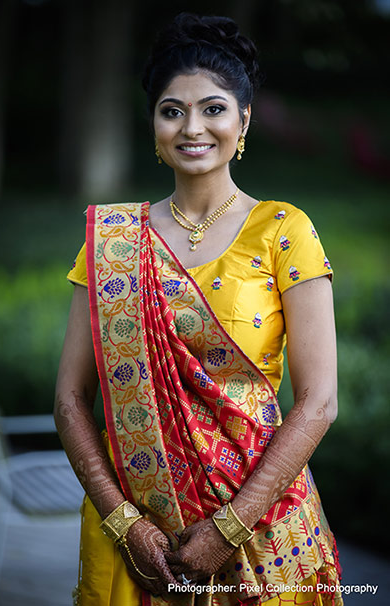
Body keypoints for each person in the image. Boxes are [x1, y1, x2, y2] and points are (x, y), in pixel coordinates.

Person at [54, 13, 342, 606]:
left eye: (213, 108)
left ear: (244, 121)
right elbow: (68, 401)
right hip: (135, 532)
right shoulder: (111, 242)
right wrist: (124, 524)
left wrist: (227, 529)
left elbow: (319, 401)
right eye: (172, 110)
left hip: (261, 528)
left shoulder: (282, 230)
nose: (193, 127)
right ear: (154, 125)